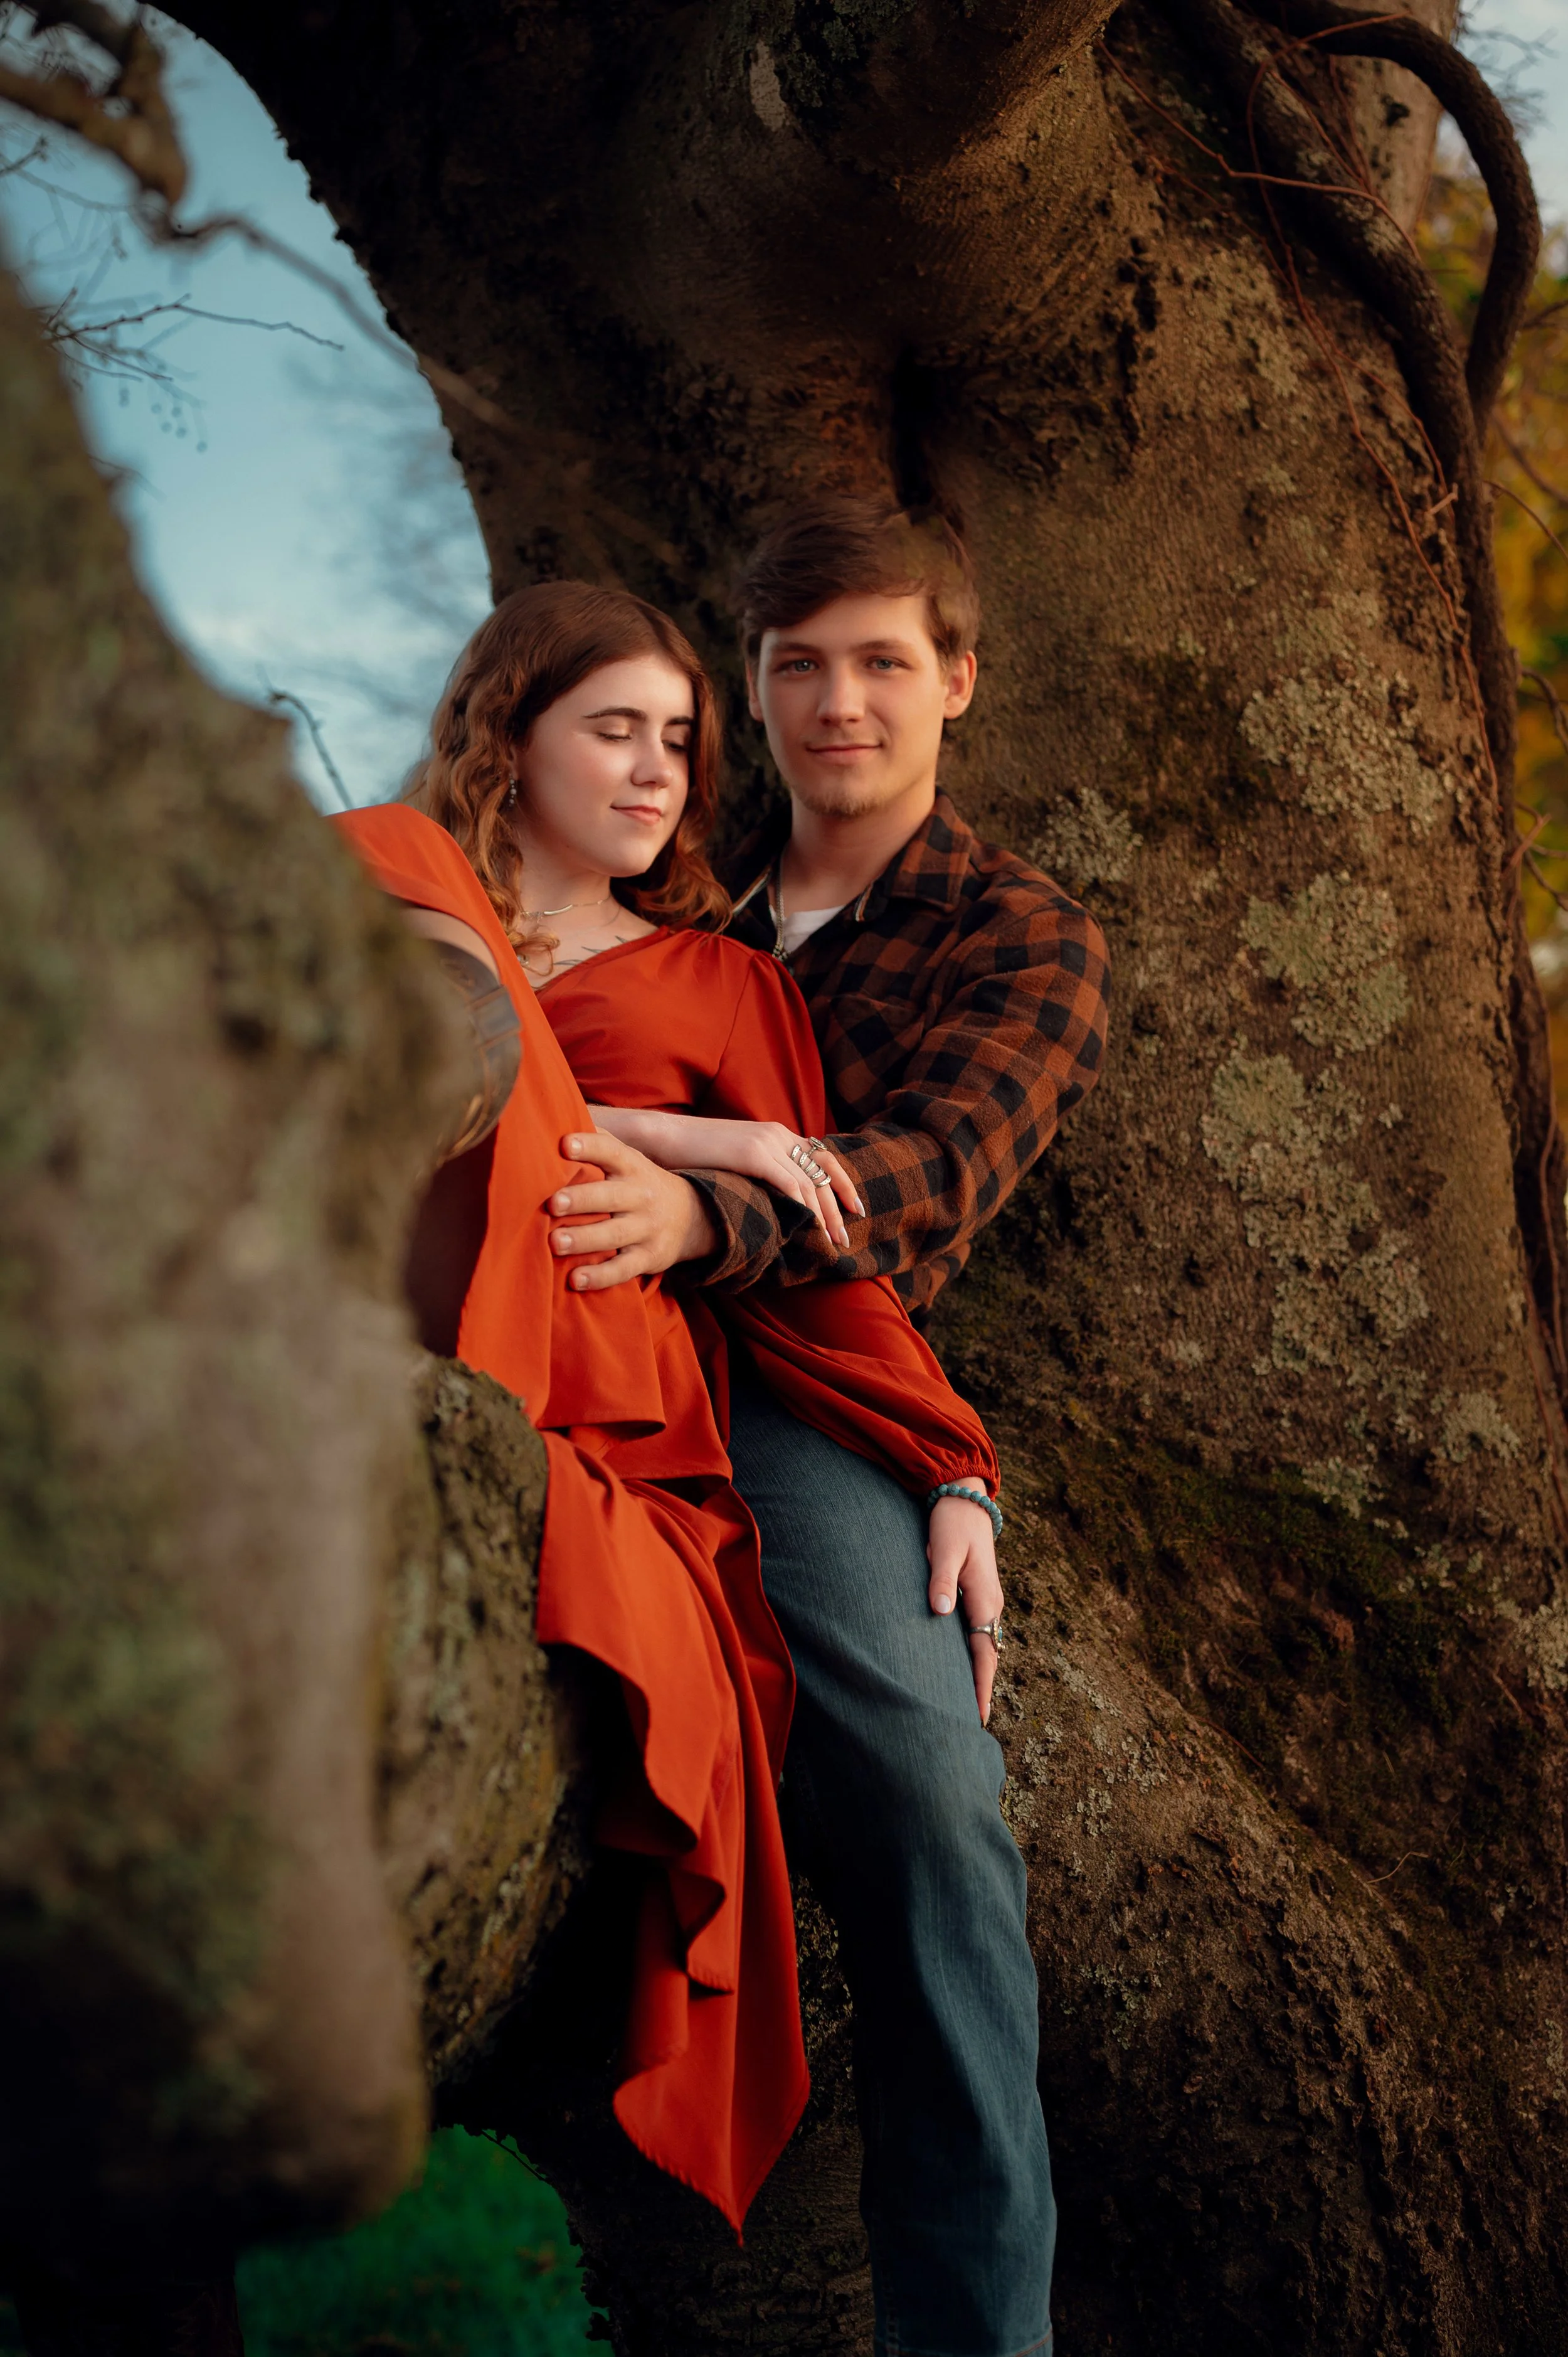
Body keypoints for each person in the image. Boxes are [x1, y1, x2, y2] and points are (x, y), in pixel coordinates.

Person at [339, 579, 1012, 2240]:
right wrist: (688, 1140)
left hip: (626, 1365)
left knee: (925, 1783)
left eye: (679, 741)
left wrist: (952, 1464)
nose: (654, 772)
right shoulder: (405, 865)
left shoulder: (722, 986)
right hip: (382, 1300)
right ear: (513, 730)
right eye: (612, 729)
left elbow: (820, 1249)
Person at [545, 500, 1111, 2357]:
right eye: (799, 666)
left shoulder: (1017, 935)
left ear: (955, 681)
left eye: (883, 663)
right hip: (556, 1339)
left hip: (793, 1386)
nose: (838, 702)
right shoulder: (658, 879)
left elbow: (926, 1177)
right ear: (754, 684)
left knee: (935, 1797)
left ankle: (977, 2331)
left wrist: (714, 1220)